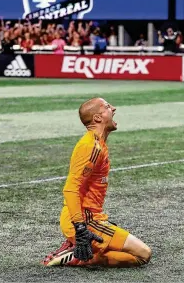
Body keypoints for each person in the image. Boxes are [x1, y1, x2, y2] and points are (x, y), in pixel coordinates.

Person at [42, 98, 151, 267]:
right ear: (98, 118)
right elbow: (70, 189)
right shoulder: (91, 146)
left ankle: (78, 248)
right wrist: (80, 228)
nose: (114, 108)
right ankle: (77, 257)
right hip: (85, 221)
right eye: (107, 107)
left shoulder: (97, 143)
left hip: (91, 218)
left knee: (127, 250)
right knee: (143, 254)